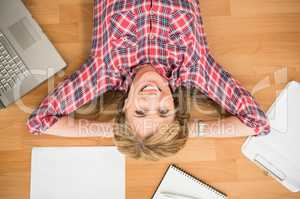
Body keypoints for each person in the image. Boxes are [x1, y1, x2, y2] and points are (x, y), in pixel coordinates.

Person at [27, 0, 270, 160]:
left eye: (141, 112)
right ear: (176, 107)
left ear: (124, 108)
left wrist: (115, 131)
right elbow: (257, 123)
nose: (152, 98)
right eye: (164, 112)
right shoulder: (195, 66)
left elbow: (39, 122)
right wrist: (187, 131)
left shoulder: (104, 69)